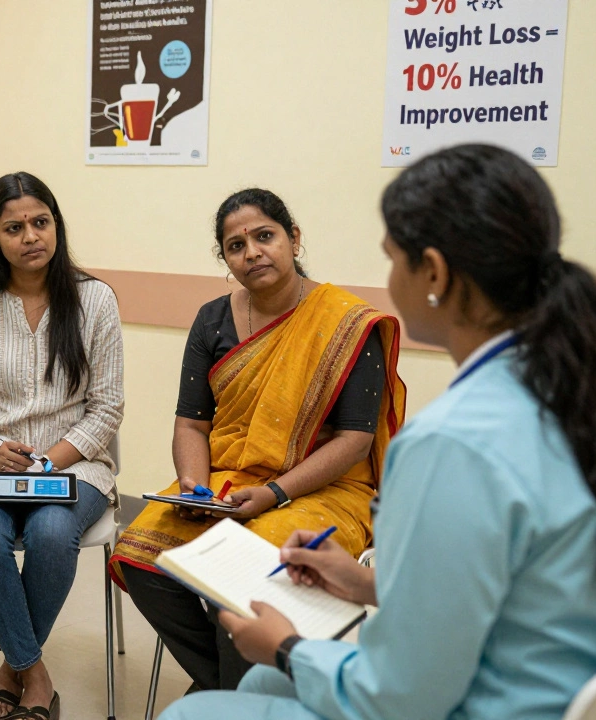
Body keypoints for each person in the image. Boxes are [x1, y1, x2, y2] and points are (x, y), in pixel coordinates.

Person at [161, 144, 596, 720]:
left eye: (393, 258)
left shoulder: (448, 444)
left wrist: (286, 649)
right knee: (253, 692)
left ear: (435, 274)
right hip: (540, 675)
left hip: (478, 700)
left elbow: (402, 696)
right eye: (235, 246)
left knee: (185, 717)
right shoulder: (567, 389)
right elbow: (497, 589)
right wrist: (369, 585)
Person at [112, 188, 406, 692]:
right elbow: (192, 424)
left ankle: (232, 690)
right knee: (139, 554)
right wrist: (194, 488)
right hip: (231, 481)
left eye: (264, 236)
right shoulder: (213, 319)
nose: (252, 252)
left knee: (244, 570)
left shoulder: (346, 322)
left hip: (328, 488)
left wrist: (274, 494)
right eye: (235, 245)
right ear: (225, 258)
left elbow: (356, 441)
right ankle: (229, 685)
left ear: (293, 239)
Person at [0, 172, 125, 720]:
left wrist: (50, 461)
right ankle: (36, 675)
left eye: (40, 222)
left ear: (56, 226)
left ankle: (9, 672)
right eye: (14, 227)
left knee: (49, 531)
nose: (30, 236)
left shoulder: (95, 300)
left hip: (75, 462)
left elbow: (107, 408)